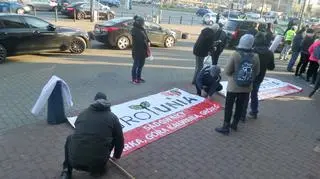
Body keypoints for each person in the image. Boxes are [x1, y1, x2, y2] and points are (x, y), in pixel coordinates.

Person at [60, 92, 124, 179]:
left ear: (94, 102)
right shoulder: (112, 117)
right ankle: (97, 170)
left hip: (74, 161)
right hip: (97, 164)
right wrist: (116, 156)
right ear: (107, 103)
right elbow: (119, 139)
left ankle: (66, 170)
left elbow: (77, 128)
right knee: (112, 137)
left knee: (70, 138)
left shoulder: (83, 113)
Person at [215, 34, 260, 135]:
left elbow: (227, 71)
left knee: (229, 106)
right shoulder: (256, 57)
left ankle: (226, 126)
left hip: (233, 86)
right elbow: (257, 72)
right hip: (247, 87)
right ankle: (234, 124)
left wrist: (234, 74)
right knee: (240, 106)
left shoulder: (235, 54)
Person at [242, 32, 275, 120]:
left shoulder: (252, 51)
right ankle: (254, 111)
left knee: (245, 94)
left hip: (249, 75)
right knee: (254, 94)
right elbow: (271, 67)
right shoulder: (269, 53)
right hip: (260, 76)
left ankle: (242, 113)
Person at [131, 15, 150, 84]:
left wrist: (148, 41)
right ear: (139, 22)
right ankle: (134, 79)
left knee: (141, 65)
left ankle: (138, 77)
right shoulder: (134, 29)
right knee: (135, 65)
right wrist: (144, 41)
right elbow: (139, 40)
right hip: (137, 50)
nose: (143, 24)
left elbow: (146, 37)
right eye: (142, 22)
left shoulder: (142, 29)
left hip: (143, 50)